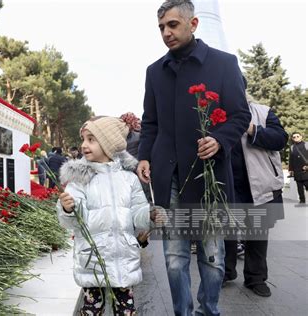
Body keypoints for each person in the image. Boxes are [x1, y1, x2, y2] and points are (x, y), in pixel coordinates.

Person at [136, 1, 251, 315]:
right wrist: (144, 156)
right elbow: (150, 122)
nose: (166, 33)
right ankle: (182, 312)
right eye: (161, 27)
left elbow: (240, 115)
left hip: (209, 176)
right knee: (174, 258)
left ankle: (208, 310)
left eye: (172, 25)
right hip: (168, 176)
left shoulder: (225, 64)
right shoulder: (154, 71)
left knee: (211, 256)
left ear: (194, 23)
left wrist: (219, 139)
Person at [57, 116, 165, 315]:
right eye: (83, 139)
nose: (83, 145)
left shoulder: (129, 179)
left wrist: (148, 215)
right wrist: (68, 209)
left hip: (123, 258)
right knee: (91, 310)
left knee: (126, 310)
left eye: (91, 139)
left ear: (109, 144)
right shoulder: (79, 180)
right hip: (93, 258)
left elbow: (137, 211)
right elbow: (72, 221)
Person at [224, 88, 288, 297]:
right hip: (227, 184)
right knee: (226, 233)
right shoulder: (213, 114)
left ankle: (255, 278)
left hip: (258, 185)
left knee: (258, 233)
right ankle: (226, 272)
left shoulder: (262, 112)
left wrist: (252, 129)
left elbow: (280, 139)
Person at [288, 132, 308, 204]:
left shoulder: (306, 144)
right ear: (292, 139)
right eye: (294, 137)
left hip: (306, 170)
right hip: (297, 171)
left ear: (301, 137)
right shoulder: (292, 147)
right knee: (299, 188)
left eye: (297, 136)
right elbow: (291, 159)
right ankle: (302, 202)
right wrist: (291, 170)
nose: (296, 138)